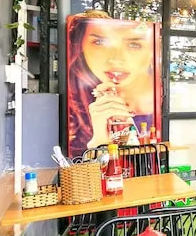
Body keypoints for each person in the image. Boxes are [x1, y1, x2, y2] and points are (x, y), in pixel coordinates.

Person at [67, 14, 158, 156]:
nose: (116, 59)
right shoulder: (76, 106)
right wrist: (99, 137)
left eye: (134, 45)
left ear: (152, 51)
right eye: (100, 42)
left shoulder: (164, 102)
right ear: (81, 45)